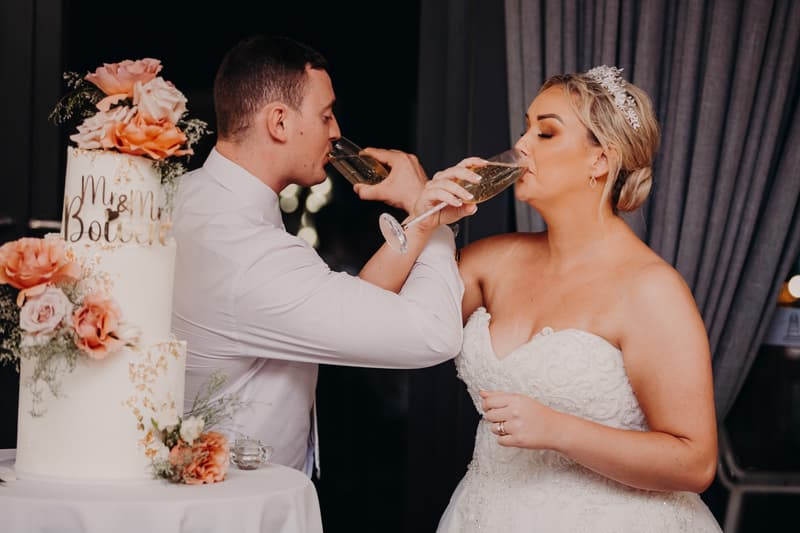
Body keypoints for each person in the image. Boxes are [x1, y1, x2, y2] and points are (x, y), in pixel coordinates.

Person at [413, 66, 722, 531]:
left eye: (546, 133)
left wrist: (560, 430)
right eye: (526, 128)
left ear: (600, 160)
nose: (521, 145)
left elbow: (695, 463)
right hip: (487, 513)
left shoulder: (651, 290)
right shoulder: (492, 261)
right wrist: (421, 219)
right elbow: (377, 326)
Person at [170, 34, 476, 476]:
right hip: (236, 503)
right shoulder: (251, 252)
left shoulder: (189, 199)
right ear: (278, 122)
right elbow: (434, 335)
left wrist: (421, 221)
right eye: (326, 114)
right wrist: (432, 215)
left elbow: (334, 304)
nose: (335, 132)